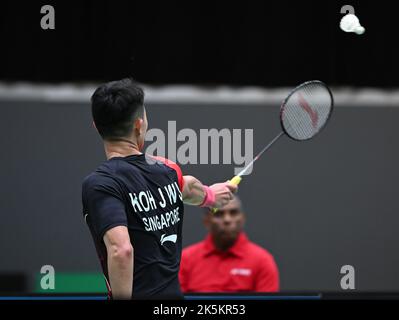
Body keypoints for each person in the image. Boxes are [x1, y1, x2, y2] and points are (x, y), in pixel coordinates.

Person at [81, 78, 237, 299]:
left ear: (96, 126)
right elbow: (189, 187)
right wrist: (211, 195)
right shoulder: (167, 170)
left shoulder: (101, 184)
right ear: (139, 124)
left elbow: (121, 250)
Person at [179, 195, 279, 293]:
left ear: (243, 219)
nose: (227, 220)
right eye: (219, 214)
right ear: (206, 221)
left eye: (233, 213)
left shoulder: (262, 261)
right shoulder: (185, 259)